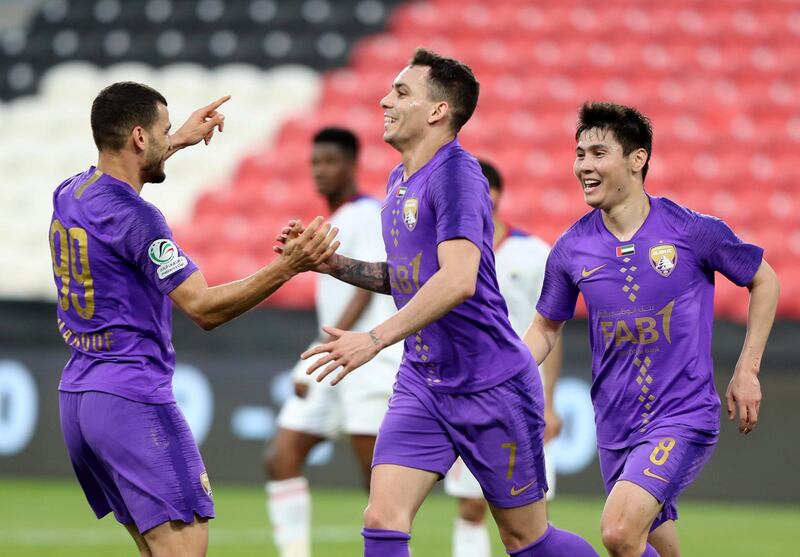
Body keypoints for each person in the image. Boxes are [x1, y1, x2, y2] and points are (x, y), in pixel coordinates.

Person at [291, 48, 599, 557]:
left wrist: (374, 339)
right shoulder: (398, 181)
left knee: (526, 540)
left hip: (491, 385)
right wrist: (333, 264)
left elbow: (458, 280)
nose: (384, 99)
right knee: (382, 518)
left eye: (401, 92)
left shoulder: (458, 175)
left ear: (437, 111)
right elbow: (412, 278)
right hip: (423, 381)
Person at [49, 81, 338, 557]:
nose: (170, 137)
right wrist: (290, 265)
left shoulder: (71, 193)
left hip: (79, 396)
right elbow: (203, 307)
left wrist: (176, 140)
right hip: (132, 397)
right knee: (185, 548)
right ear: (140, 137)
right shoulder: (140, 219)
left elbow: (116, 193)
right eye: (163, 131)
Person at [523, 102, 780, 557]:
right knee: (649, 545)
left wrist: (747, 369)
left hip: (679, 416)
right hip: (614, 422)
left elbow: (765, 280)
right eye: (579, 154)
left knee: (618, 532)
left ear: (637, 159)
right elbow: (546, 327)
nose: (584, 165)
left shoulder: (691, 230)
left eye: (598, 153)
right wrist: (507, 374)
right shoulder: (571, 248)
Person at [264, 127, 401, 557]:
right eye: (315, 163)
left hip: (366, 360)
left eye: (330, 162)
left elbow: (368, 286)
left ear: (352, 165)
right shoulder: (336, 219)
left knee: (377, 481)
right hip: (335, 358)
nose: (320, 171)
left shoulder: (366, 213)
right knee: (281, 456)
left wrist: (327, 348)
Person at [443, 159, 564, 557]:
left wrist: (549, 402)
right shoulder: (449, 253)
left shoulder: (533, 254)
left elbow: (551, 330)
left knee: (529, 515)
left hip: (521, 395)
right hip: (467, 394)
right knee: (471, 504)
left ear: (493, 195)